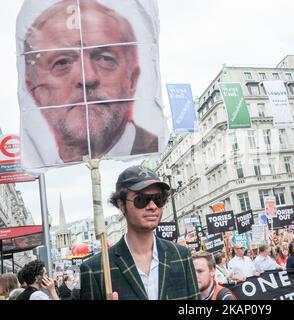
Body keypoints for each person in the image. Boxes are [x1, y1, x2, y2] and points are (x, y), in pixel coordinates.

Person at [21, 0, 159, 167]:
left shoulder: (153, 146)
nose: (87, 78)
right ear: (34, 90)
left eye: (105, 59)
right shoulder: (43, 160)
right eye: (62, 62)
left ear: (132, 79)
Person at [80, 165, 200, 300]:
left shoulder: (181, 256)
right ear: (121, 204)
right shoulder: (96, 269)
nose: (152, 206)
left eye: (158, 199)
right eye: (141, 200)